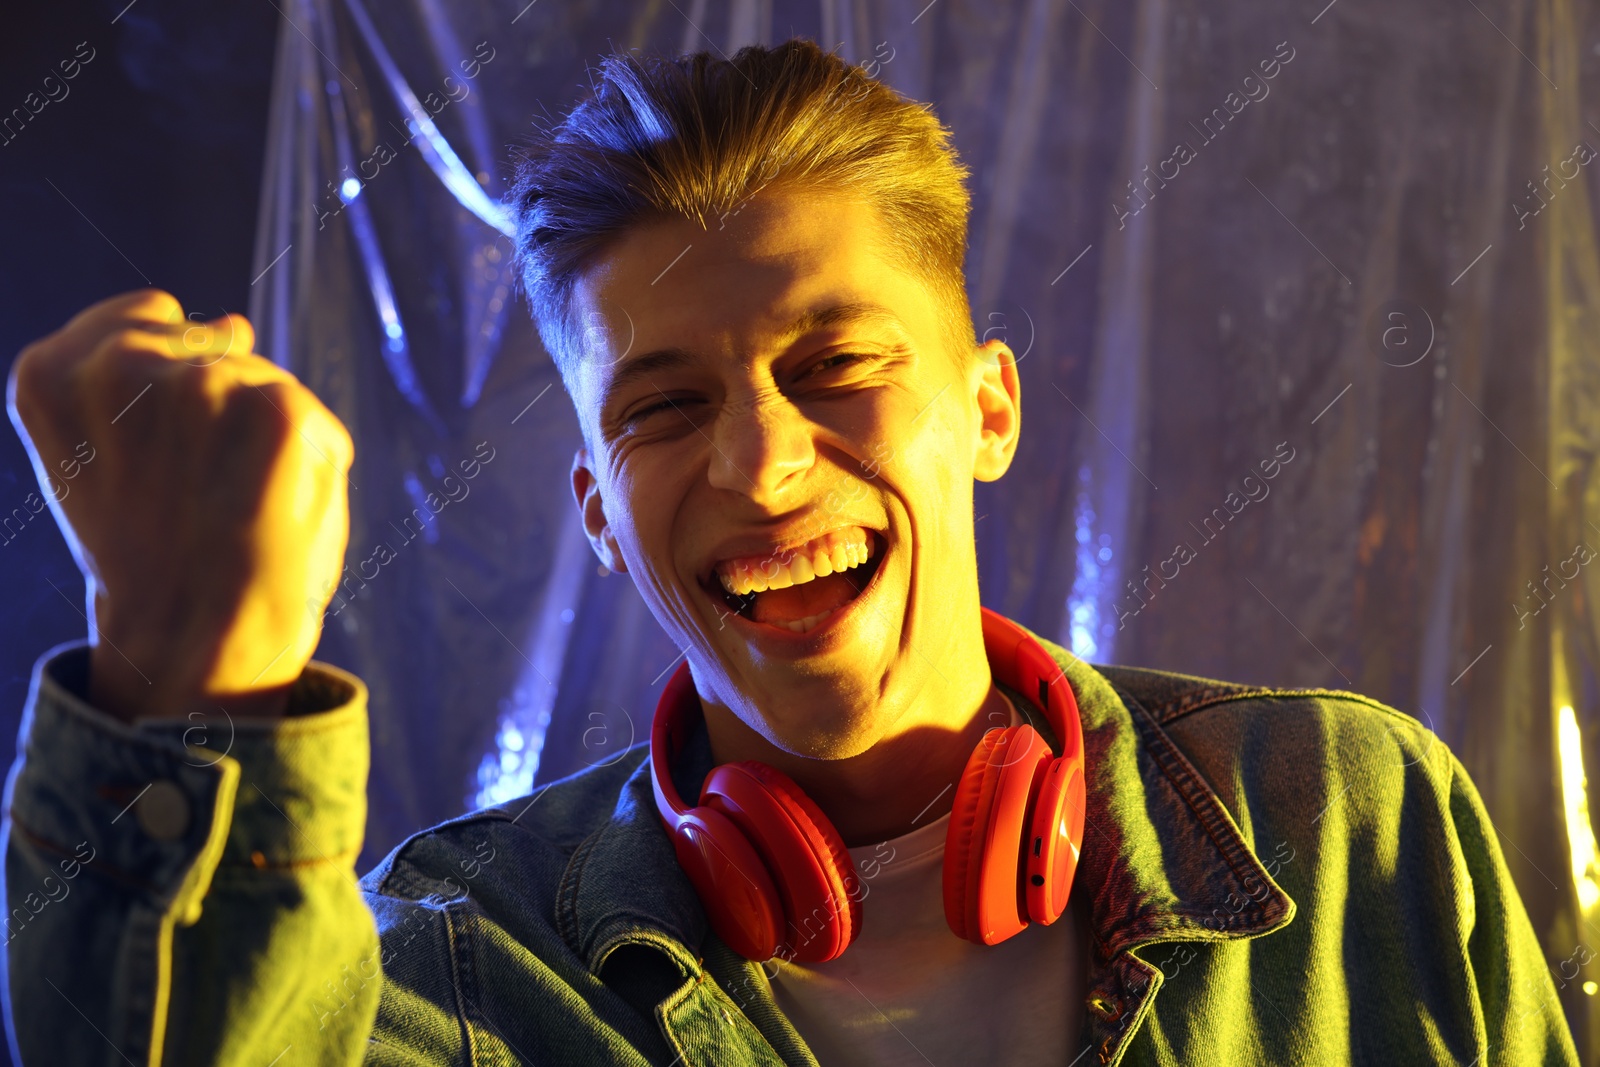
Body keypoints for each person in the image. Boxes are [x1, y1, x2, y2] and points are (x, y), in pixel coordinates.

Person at [0, 36, 1578, 1067]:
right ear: (602, 517)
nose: (758, 464)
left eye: (836, 369)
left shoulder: (1352, 821)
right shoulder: (464, 965)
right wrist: (180, 679)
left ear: (989, 407)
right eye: (668, 405)